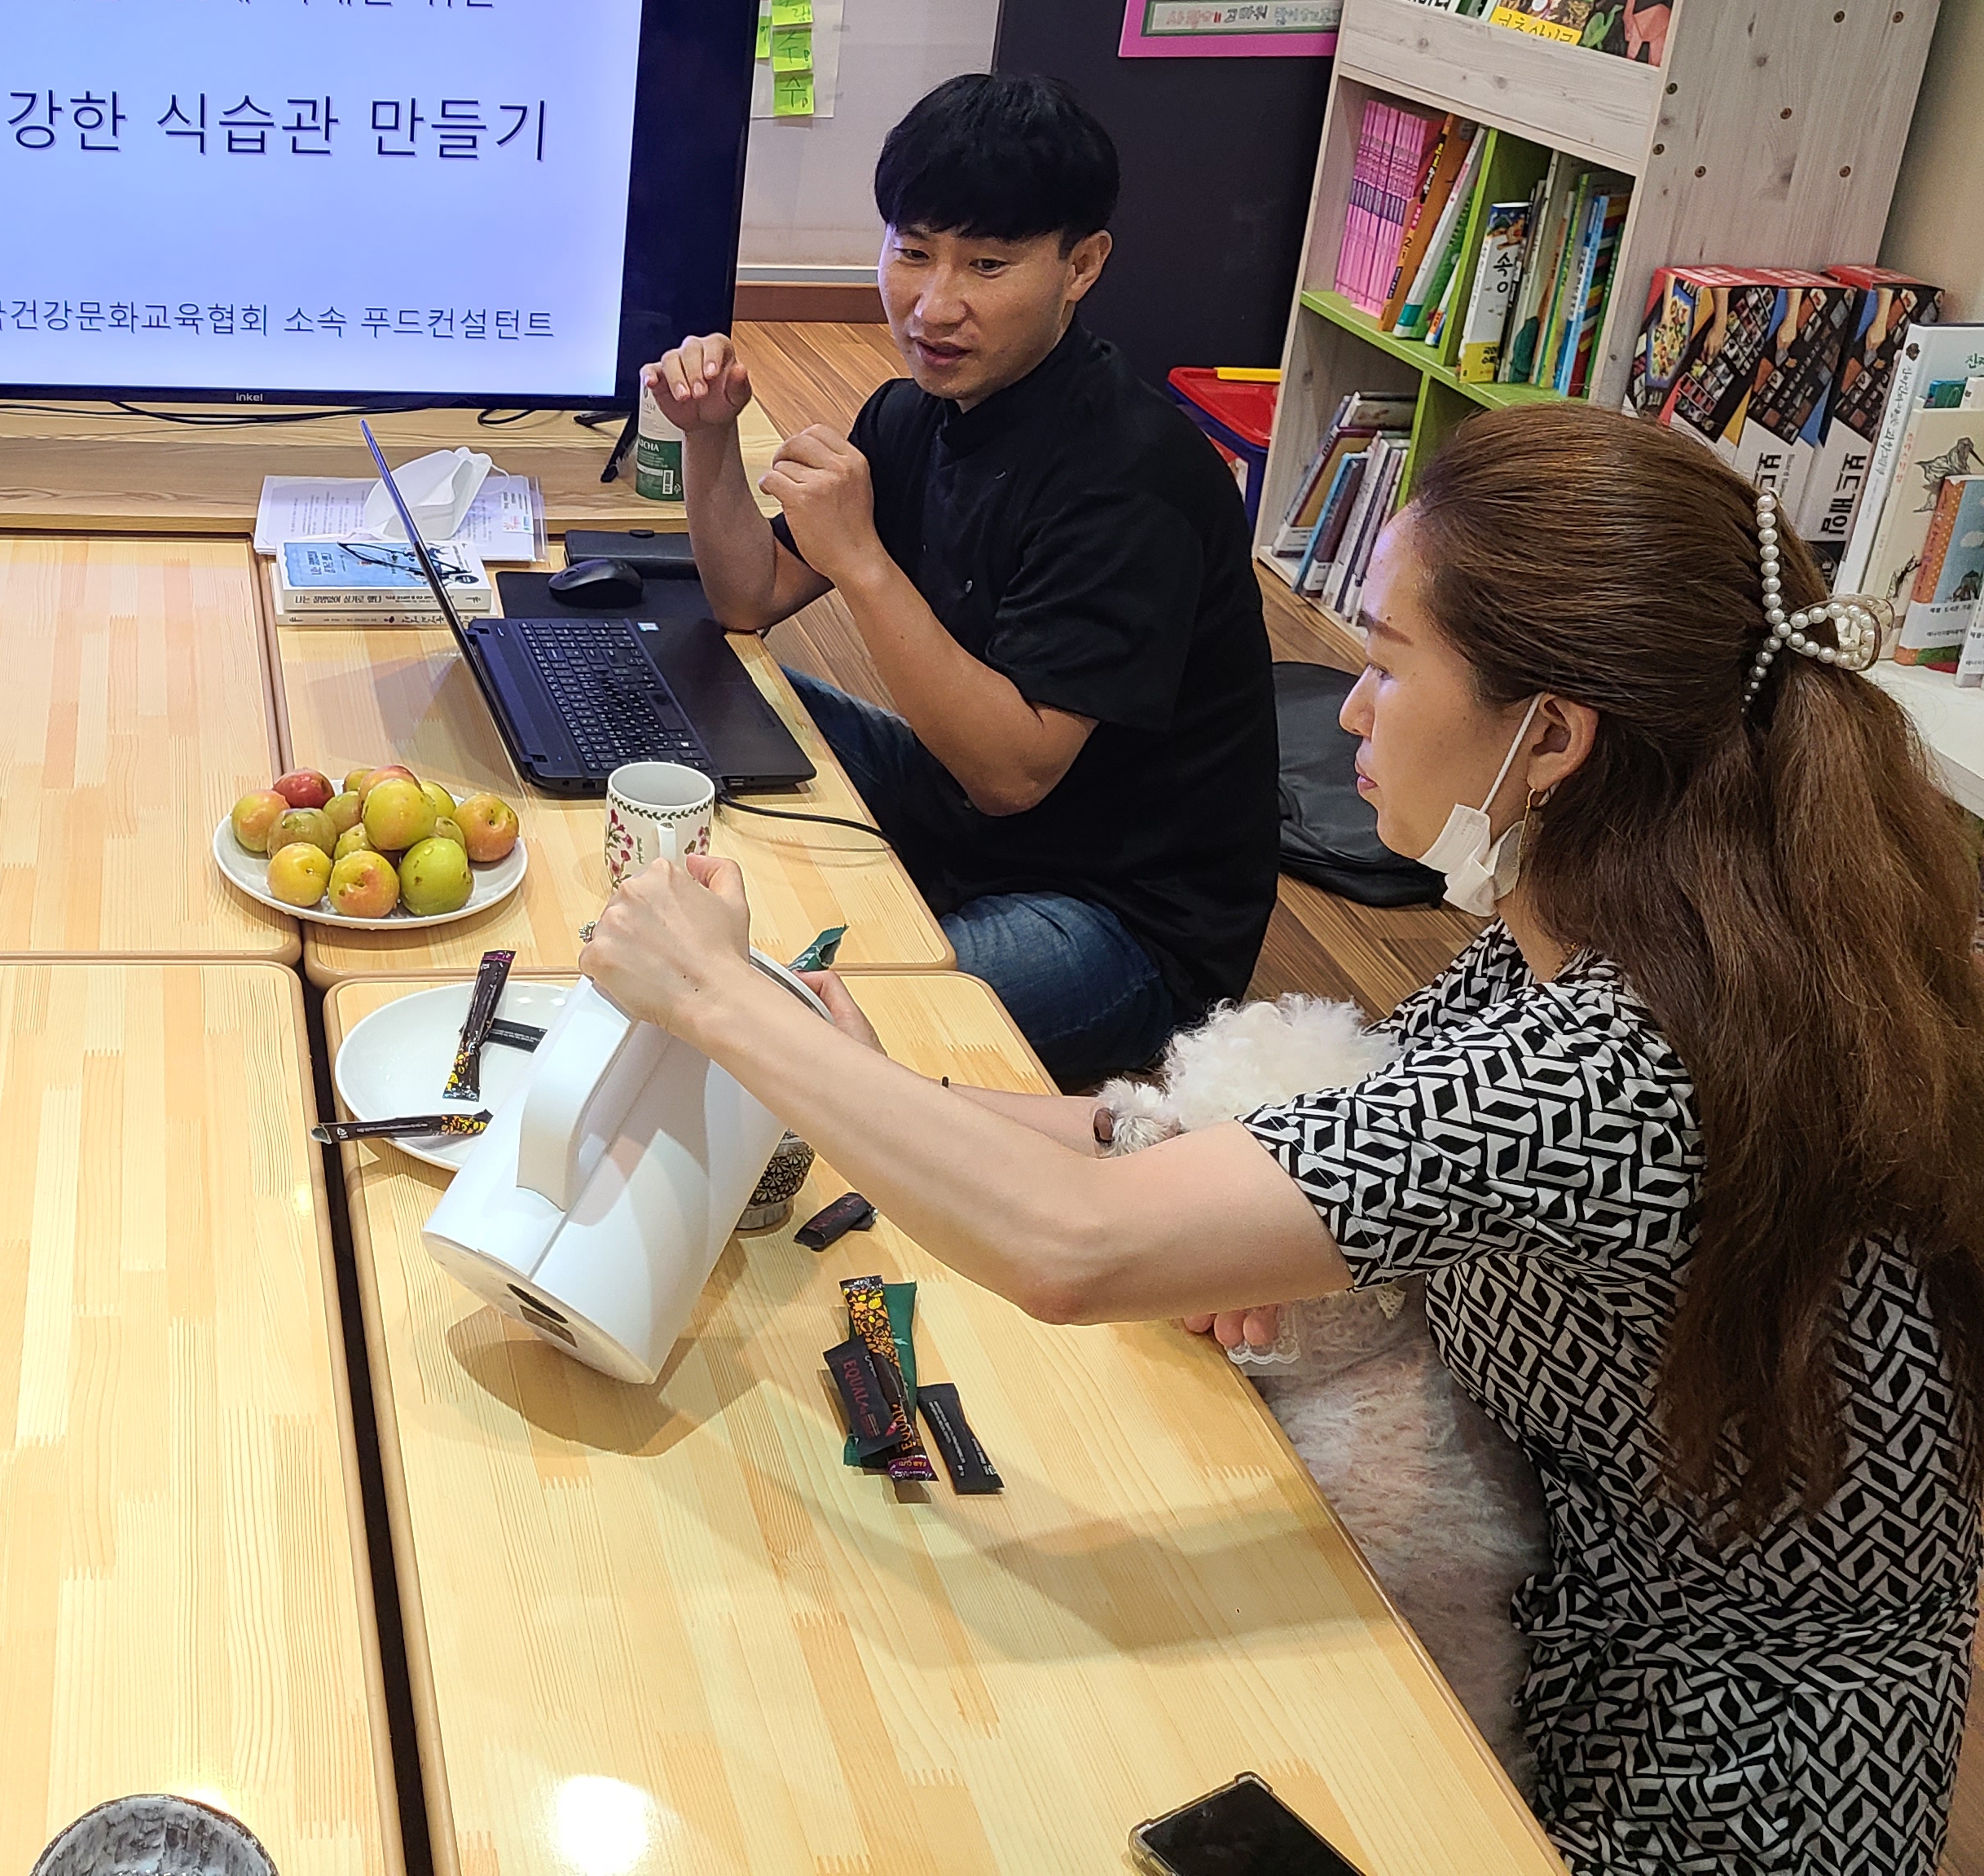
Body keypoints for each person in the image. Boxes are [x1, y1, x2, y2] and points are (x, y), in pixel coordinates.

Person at [582, 405, 1984, 1874]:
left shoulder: (1622, 1055)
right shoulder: (1623, 925)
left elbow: (1076, 1245)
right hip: (1563, 1610)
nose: (1351, 711)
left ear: (1555, 736)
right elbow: (1256, 1137)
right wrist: (897, 1091)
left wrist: (721, 1003)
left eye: (1387, 662)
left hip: (1692, 1781)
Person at [640, 73, 1275, 1090]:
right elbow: (748, 600)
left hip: (1117, 917)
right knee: (678, 674)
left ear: (1081, 265)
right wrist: (709, 438)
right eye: (912, 251)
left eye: (987, 264)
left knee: (785, 1026)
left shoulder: (1132, 476)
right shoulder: (912, 414)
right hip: (953, 816)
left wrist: (860, 559)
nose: (934, 307)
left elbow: (1010, 775)